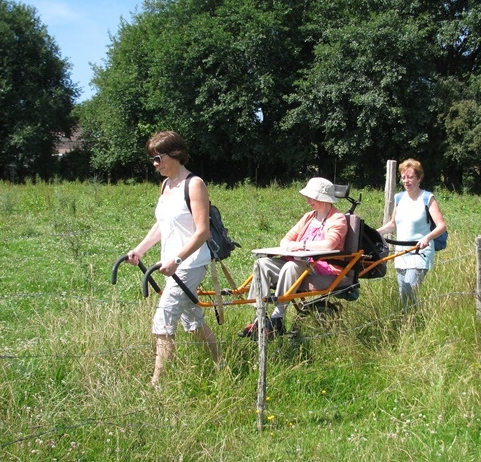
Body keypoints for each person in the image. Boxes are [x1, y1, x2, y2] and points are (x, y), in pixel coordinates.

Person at [125, 131, 222, 386]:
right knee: (193, 321)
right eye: (152, 159)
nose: (155, 164)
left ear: (175, 155)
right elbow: (162, 224)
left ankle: (156, 385)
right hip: (172, 265)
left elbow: (203, 232)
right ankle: (222, 367)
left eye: (158, 158)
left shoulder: (194, 184)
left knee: (163, 319)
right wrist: (140, 249)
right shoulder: (166, 185)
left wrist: (177, 260)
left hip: (191, 263)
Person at [239, 177, 348, 338]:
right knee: (262, 263)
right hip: (301, 262)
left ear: (323, 198)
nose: (308, 201)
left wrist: (301, 245)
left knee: (291, 266)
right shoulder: (309, 217)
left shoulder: (337, 219)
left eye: (311, 197)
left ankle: (278, 316)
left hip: (321, 266)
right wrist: (289, 246)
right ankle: (259, 317)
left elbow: (329, 245)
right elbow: (286, 239)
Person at [376, 158, 447, 310]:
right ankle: (410, 321)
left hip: (420, 253)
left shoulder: (427, 198)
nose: (407, 181)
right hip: (401, 253)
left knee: (408, 290)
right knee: (404, 294)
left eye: (410, 177)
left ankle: (411, 319)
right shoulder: (399, 198)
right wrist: (374, 233)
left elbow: (441, 226)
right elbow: (393, 224)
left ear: (419, 178)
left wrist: (427, 238)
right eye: (403, 178)